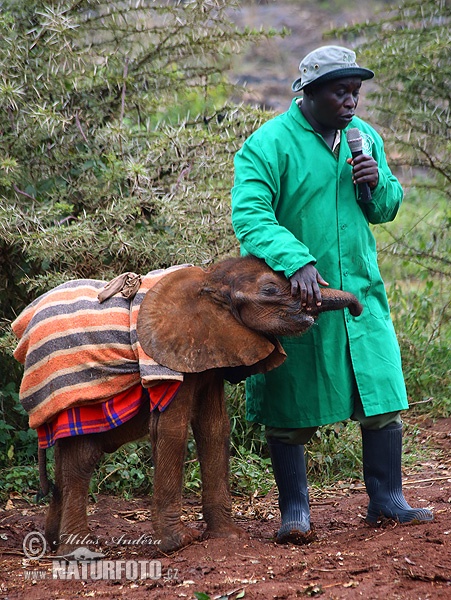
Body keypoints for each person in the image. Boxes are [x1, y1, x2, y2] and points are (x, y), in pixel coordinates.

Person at [231, 45, 433, 545]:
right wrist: (295, 258)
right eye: (340, 91)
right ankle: (295, 511)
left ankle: (387, 501)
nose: (351, 101)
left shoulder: (365, 140)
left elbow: (385, 209)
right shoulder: (268, 144)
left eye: (356, 91)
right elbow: (251, 215)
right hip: (298, 297)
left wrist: (376, 182)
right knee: (291, 401)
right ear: (309, 92)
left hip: (361, 290)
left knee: (381, 391)